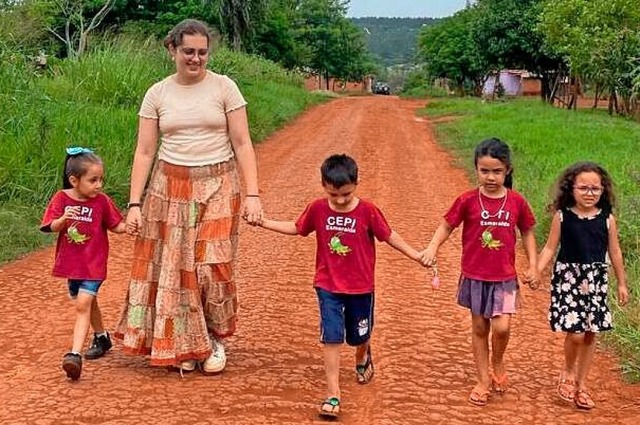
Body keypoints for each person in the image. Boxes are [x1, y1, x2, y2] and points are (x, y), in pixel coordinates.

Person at [114, 18, 262, 375]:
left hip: (219, 182)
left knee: (212, 266)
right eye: (188, 52)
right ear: (172, 50)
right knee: (174, 270)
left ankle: (213, 337)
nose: (195, 59)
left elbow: (242, 142)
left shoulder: (225, 88)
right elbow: (145, 151)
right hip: (168, 186)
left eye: (202, 53)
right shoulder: (157, 93)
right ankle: (189, 344)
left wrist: (254, 194)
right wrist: (134, 204)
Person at [250, 154, 424, 418]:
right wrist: (264, 222)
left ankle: (362, 353)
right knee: (331, 336)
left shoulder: (368, 211)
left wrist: (416, 255)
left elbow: (390, 237)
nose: (340, 200)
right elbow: (297, 228)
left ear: (356, 184)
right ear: (323, 185)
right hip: (327, 285)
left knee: (358, 336)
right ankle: (333, 394)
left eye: (346, 194)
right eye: (334, 195)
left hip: (361, 288)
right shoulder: (317, 209)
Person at [420, 138, 538, 406]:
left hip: (505, 277)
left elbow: (528, 231)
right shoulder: (467, 200)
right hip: (475, 275)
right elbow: (446, 226)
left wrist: (532, 264)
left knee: (502, 327)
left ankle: (498, 359)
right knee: (479, 327)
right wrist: (432, 248)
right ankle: (483, 380)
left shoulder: (516, 201)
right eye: (484, 171)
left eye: (497, 171)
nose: (491, 177)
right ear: (476, 169)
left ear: (507, 170)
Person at [537, 161, 629, 410]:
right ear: (571, 189)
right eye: (583, 188)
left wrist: (622, 283)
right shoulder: (562, 216)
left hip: (597, 281)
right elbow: (549, 247)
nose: (589, 193)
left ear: (603, 190)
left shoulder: (607, 219)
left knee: (590, 333)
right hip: (569, 280)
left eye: (595, 189)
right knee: (575, 333)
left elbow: (616, 252)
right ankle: (567, 373)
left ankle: (581, 385)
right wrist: (537, 270)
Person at [40, 147, 126, 380]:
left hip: (94, 264)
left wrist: (132, 226)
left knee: (83, 305)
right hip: (73, 265)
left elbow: (116, 225)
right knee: (88, 303)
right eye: (93, 180)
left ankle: (74, 355)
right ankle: (102, 337)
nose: (99, 185)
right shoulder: (61, 198)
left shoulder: (102, 201)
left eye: (101, 179)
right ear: (74, 180)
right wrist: (63, 219)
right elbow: (50, 226)